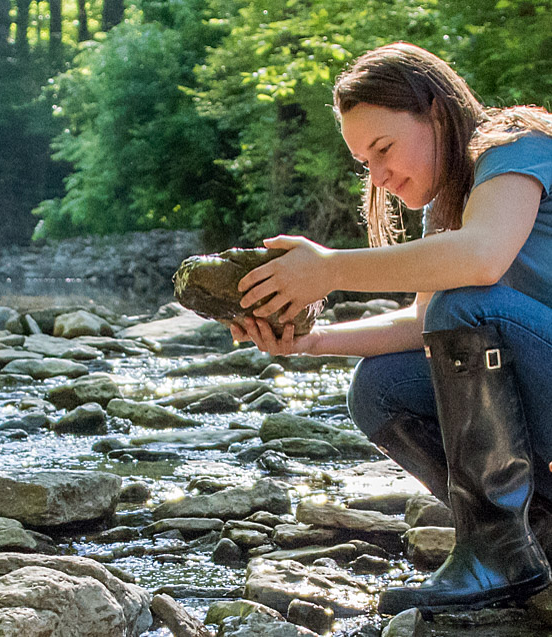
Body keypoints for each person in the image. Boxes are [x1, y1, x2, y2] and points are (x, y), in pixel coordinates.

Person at [230, 42, 552, 614]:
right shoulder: (450, 205)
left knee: (466, 306)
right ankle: (532, 537)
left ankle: (498, 552)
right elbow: (426, 323)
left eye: (384, 149)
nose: (379, 176)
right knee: (379, 386)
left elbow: (481, 260)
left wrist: (330, 270)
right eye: (364, 164)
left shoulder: (514, 145)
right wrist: (310, 342)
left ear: (435, 111)